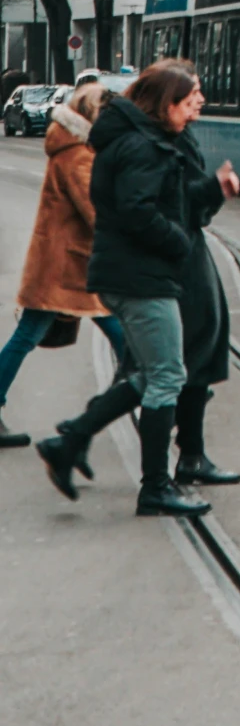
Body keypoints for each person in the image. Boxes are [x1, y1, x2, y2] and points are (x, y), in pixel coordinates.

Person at [41, 60, 238, 518]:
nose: (198, 109)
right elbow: (137, 210)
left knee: (155, 372)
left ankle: (71, 442)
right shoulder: (142, 146)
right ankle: (153, 486)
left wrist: (207, 194)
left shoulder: (144, 140)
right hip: (141, 276)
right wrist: (175, 242)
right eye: (191, 101)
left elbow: (175, 203)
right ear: (167, 103)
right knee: (166, 374)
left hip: (138, 273)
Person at [0, 82, 125, 451]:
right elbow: (96, 212)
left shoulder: (77, 149)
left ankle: (147, 400)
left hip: (68, 265)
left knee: (28, 337)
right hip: (68, 267)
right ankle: (150, 401)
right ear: (94, 116)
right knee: (125, 337)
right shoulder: (78, 155)